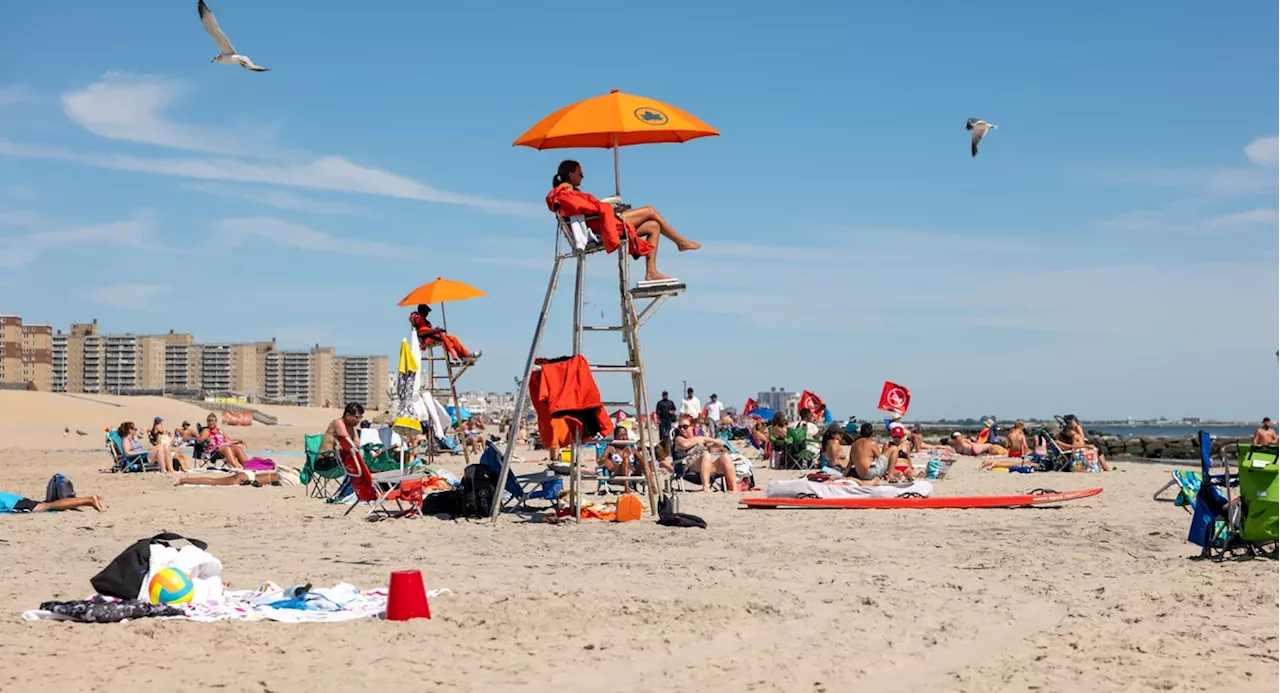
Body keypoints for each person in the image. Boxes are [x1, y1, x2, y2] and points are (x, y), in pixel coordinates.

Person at [549, 160, 701, 281]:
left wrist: (604, 205)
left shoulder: (570, 192)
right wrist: (603, 206)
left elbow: (586, 208)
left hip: (602, 222)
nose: (582, 176)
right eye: (580, 173)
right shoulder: (563, 194)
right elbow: (588, 208)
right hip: (602, 226)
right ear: (570, 174)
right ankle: (681, 242)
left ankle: (651, 272)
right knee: (650, 210)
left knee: (654, 226)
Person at [672, 417, 737, 492]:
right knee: (706, 454)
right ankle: (706, 487)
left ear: (692, 426)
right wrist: (702, 438)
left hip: (706, 465)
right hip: (688, 467)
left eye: (685, 427)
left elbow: (721, 444)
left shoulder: (702, 436)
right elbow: (685, 444)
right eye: (680, 427)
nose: (682, 429)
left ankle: (734, 488)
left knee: (726, 457)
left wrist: (711, 440)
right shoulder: (679, 439)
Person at [409, 304, 480, 364]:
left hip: (432, 337)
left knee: (453, 338)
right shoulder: (419, 318)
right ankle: (465, 355)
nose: (427, 313)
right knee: (452, 338)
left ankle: (464, 356)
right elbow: (423, 331)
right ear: (423, 311)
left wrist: (435, 330)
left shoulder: (422, 319)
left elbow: (426, 330)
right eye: (426, 311)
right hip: (428, 339)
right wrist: (436, 330)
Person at [0, 490, 105, 513]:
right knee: (47, 505)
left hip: (10, 502)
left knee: (47, 506)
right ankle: (88, 500)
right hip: (10, 498)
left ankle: (89, 500)